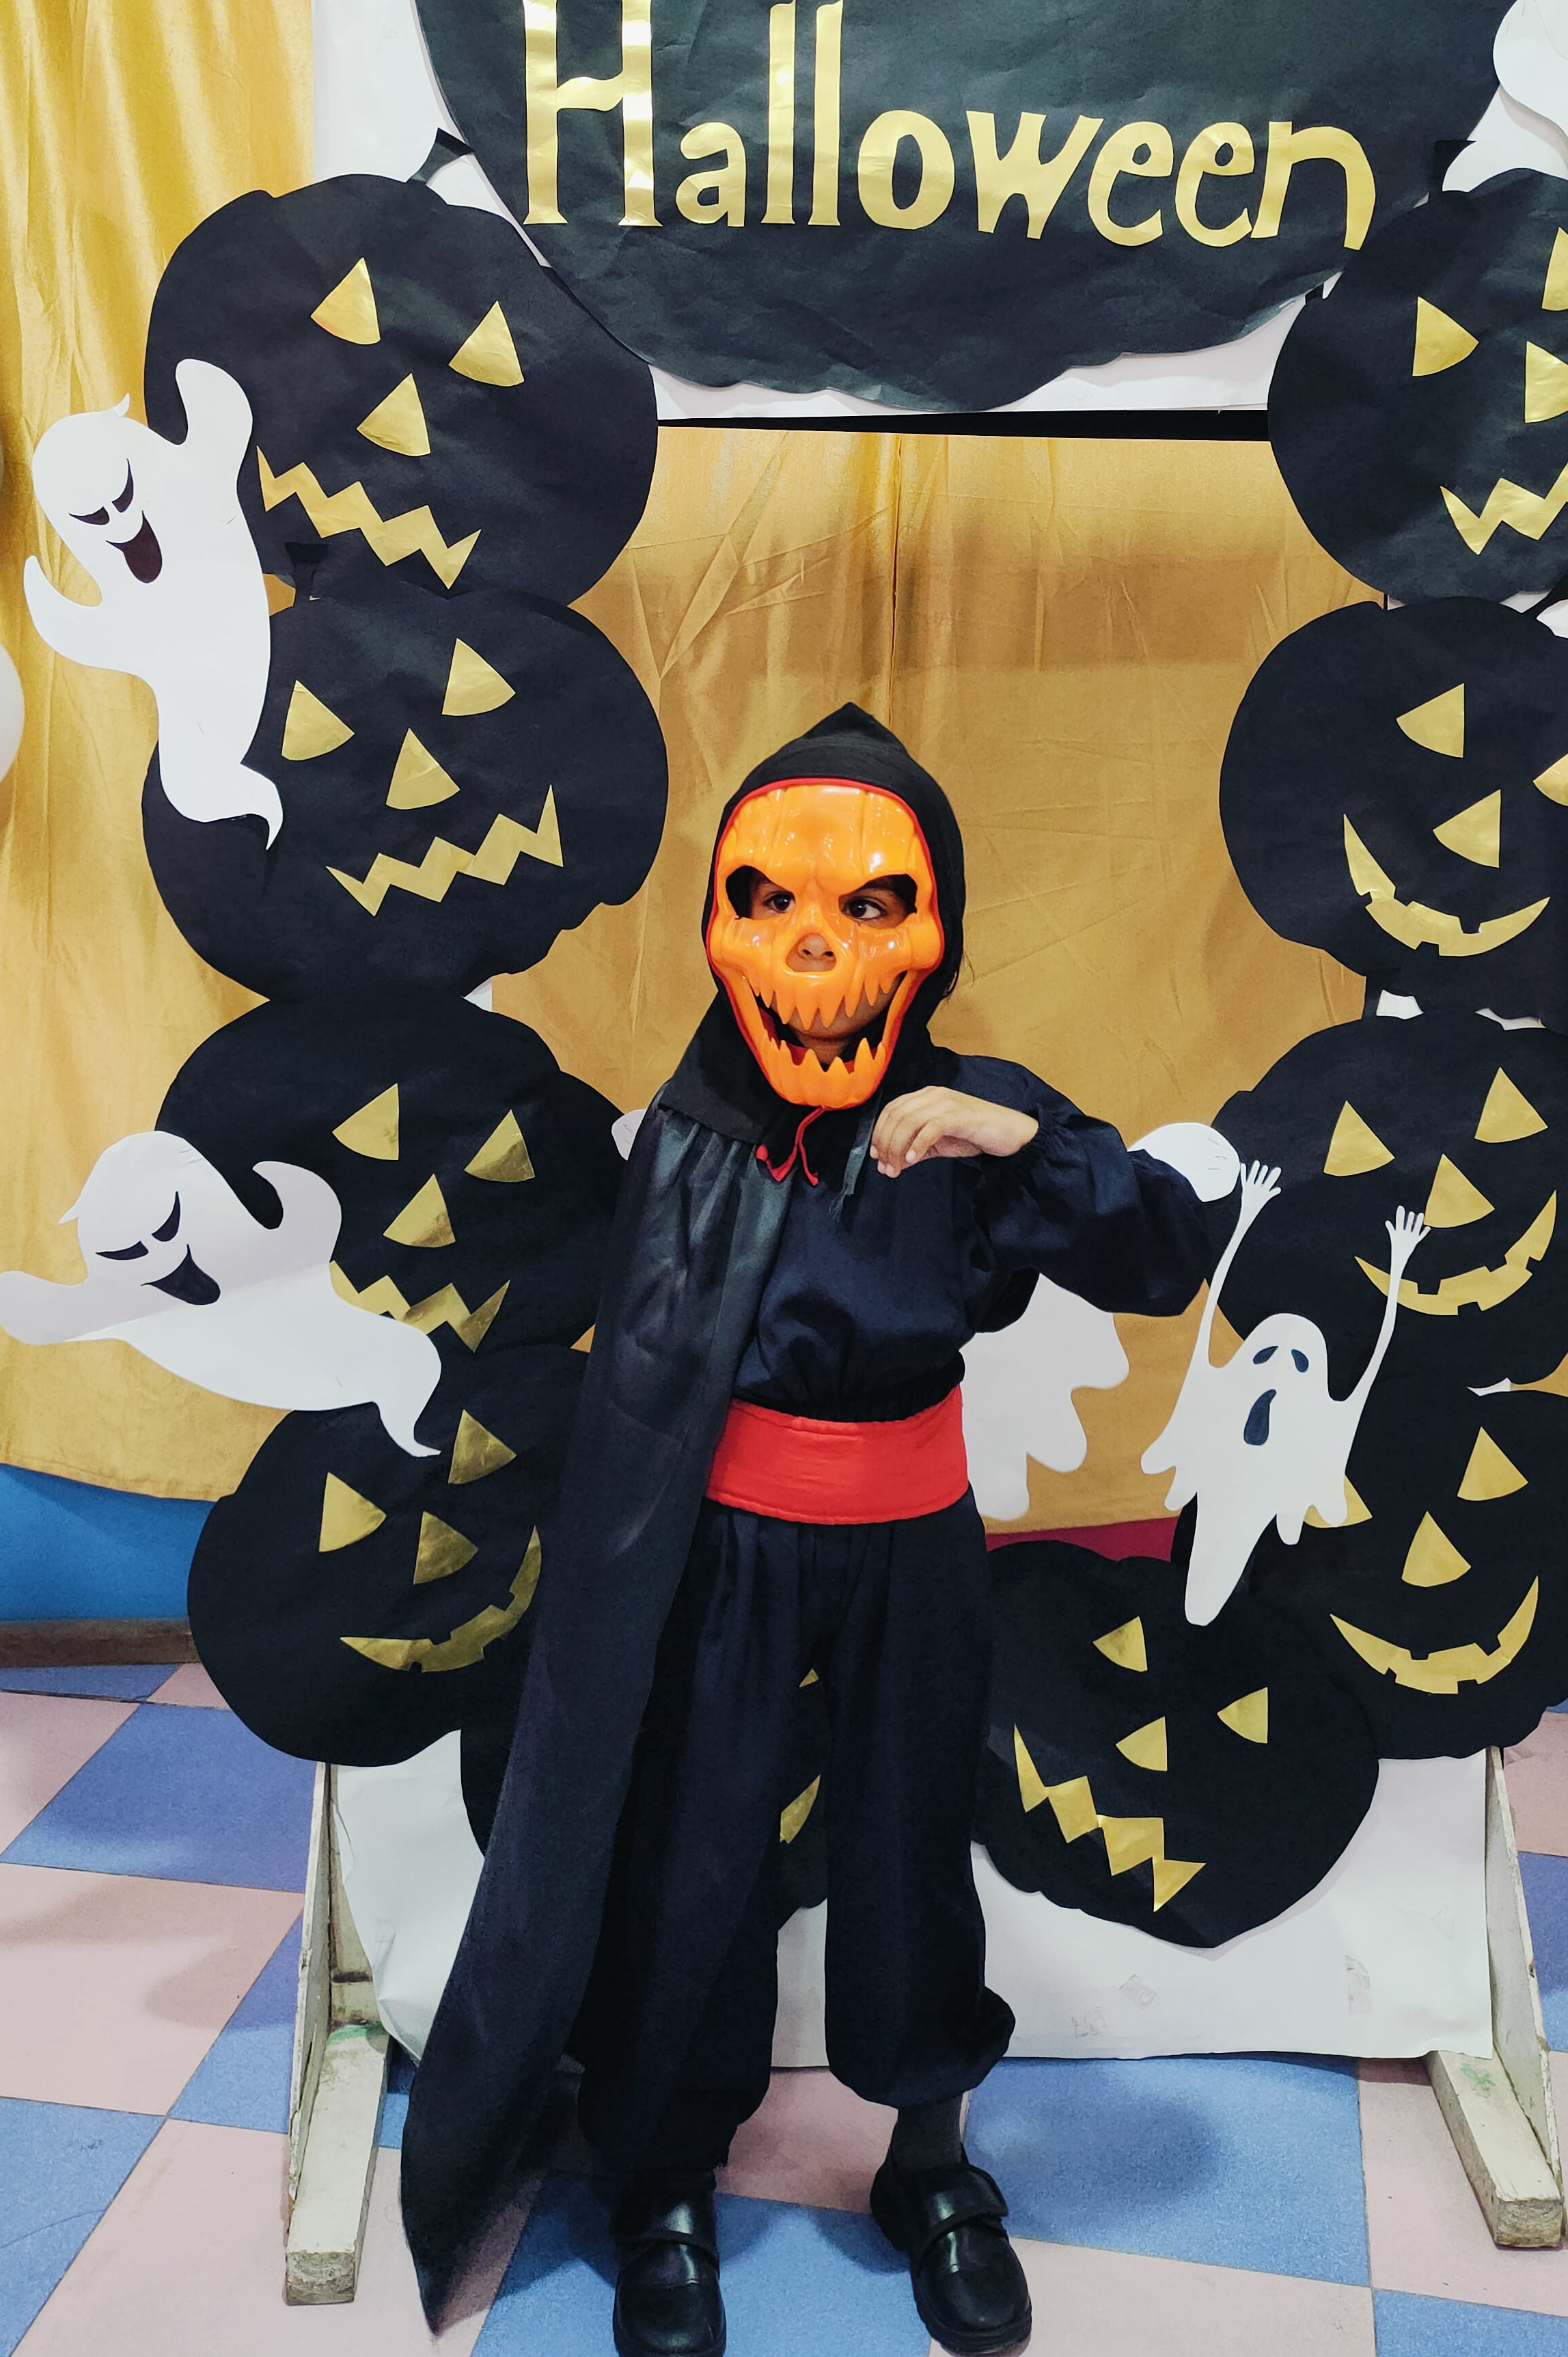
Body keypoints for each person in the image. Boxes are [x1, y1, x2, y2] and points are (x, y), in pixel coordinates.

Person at [401, 706, 1221, 2356]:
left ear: (936, 930)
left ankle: (929, 2161)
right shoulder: (693, 1136)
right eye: (768, 902)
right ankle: (664, 2179)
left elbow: (1162, 1255)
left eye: (872, 906)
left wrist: (1026, 1142)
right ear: (719, 924)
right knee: (692, 1847)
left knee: (917, 1843)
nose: (816, 951)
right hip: (726, 1555)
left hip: (914, 1541)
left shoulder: (974, 1124)